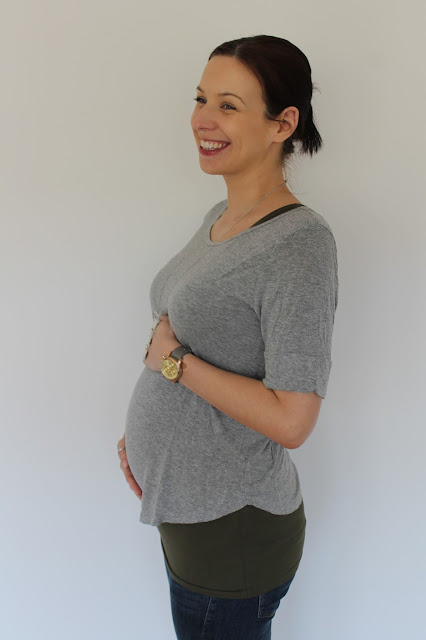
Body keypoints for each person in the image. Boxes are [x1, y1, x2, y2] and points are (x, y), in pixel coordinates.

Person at [117, 34, 339, 640]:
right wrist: (148, 441)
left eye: (229, 106)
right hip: (194, 508)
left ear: (282, 124)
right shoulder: (219, 217)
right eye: (200, 99)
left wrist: (174, 364)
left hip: (233, 525)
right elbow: (190, 333)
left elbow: (293, 420)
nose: (202, 120)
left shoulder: (300, 244)